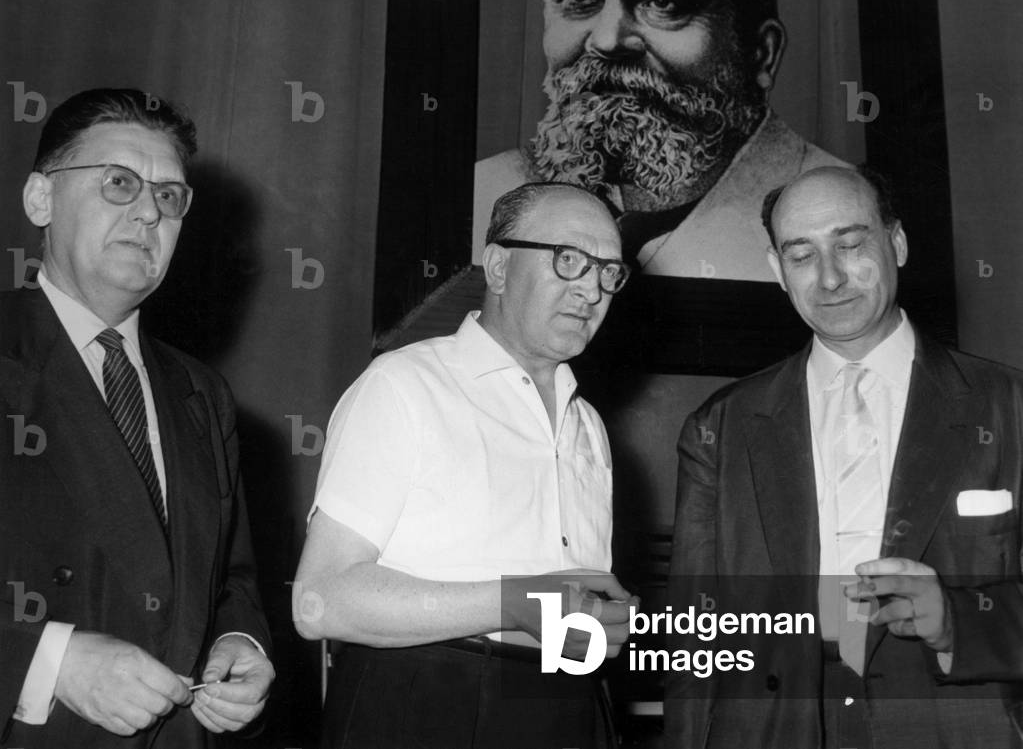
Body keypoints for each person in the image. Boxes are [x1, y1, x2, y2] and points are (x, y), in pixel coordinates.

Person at [665, 165, 1023, 748]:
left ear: (897, 244)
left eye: (852, 245)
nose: (830, 279)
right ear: (777, 270)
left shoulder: (1009, 407)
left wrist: (958, 620)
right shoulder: (721, 425)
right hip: (774, 722)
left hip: (953, 719)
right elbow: (695, 634)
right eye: (801, 256)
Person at [294, 182, 638, 748]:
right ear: (498, 267)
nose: (592, 290)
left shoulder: (589, 424)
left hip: (571, 703)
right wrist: (514, 603)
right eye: (569, 259)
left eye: (609, 271)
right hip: (427, 704)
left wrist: (601, 619)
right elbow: (319, 601)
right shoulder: (403, 385)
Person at [0, 88, 274, 748]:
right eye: (119, 182)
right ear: (41, 199)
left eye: (170, 195)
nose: (149, 210)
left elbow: (230, 578)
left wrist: (242, 642)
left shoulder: (200, 391)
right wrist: (49, 661)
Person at [473, 0, 847, 280]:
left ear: (761, 54)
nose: (607, 39)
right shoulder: (484, 195)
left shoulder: (845, 208)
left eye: (662, 2)